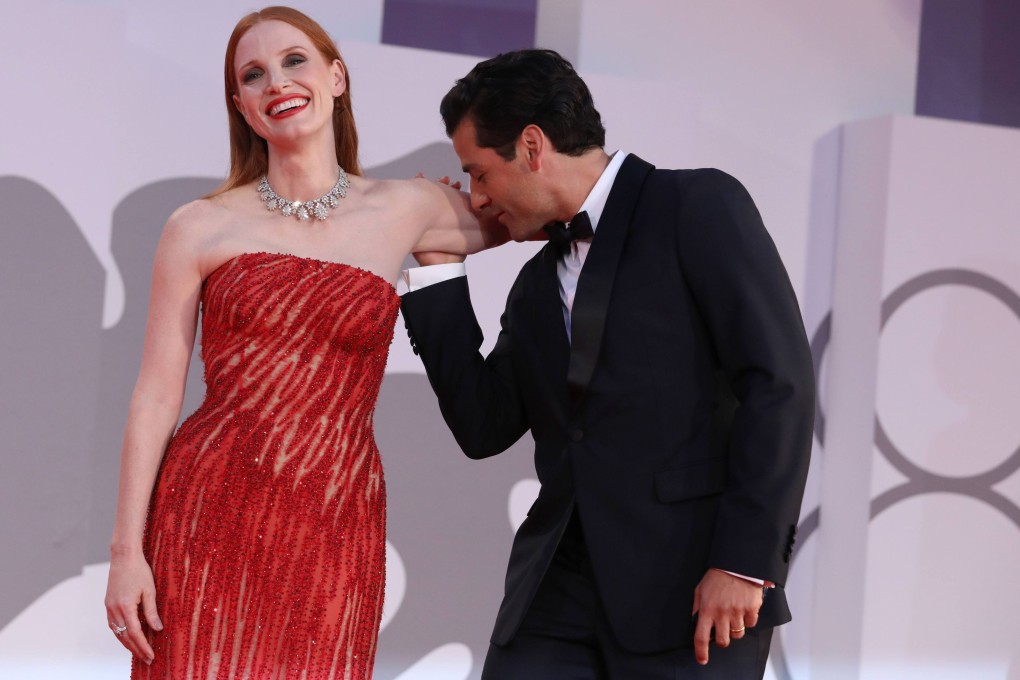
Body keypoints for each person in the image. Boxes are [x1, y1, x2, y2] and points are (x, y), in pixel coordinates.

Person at [103, 6, 501, 678]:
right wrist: (126, 553)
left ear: (336, 76)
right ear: (243, 107)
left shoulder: (408, 207)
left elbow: (541, 210)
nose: (275, 82)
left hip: (334, 519)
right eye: (252, 75)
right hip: (207, 514)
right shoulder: (198, 226)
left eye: (294, 61)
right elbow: (155, 393)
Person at [401, 49, 815, 679]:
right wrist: (438, 267)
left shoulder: (696, 203)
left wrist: (743, 563)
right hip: (556, 592)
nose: (478, 199)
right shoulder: (536, 285)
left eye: (479, 174)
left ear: (532, 146)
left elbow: (779, 383)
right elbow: (482, 425)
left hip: (694, 590)